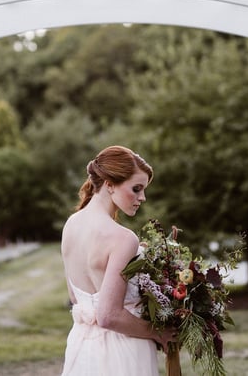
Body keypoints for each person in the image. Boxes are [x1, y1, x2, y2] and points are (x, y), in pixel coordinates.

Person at [60, 146, 173, 376]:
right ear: (109, 184)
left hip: (83, 347)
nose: (142, 198)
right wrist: (158, 333)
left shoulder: (71, 224)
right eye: (137, 189)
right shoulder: (123, 238)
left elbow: (76, 297)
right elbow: (108, 315)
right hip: (124, 353)